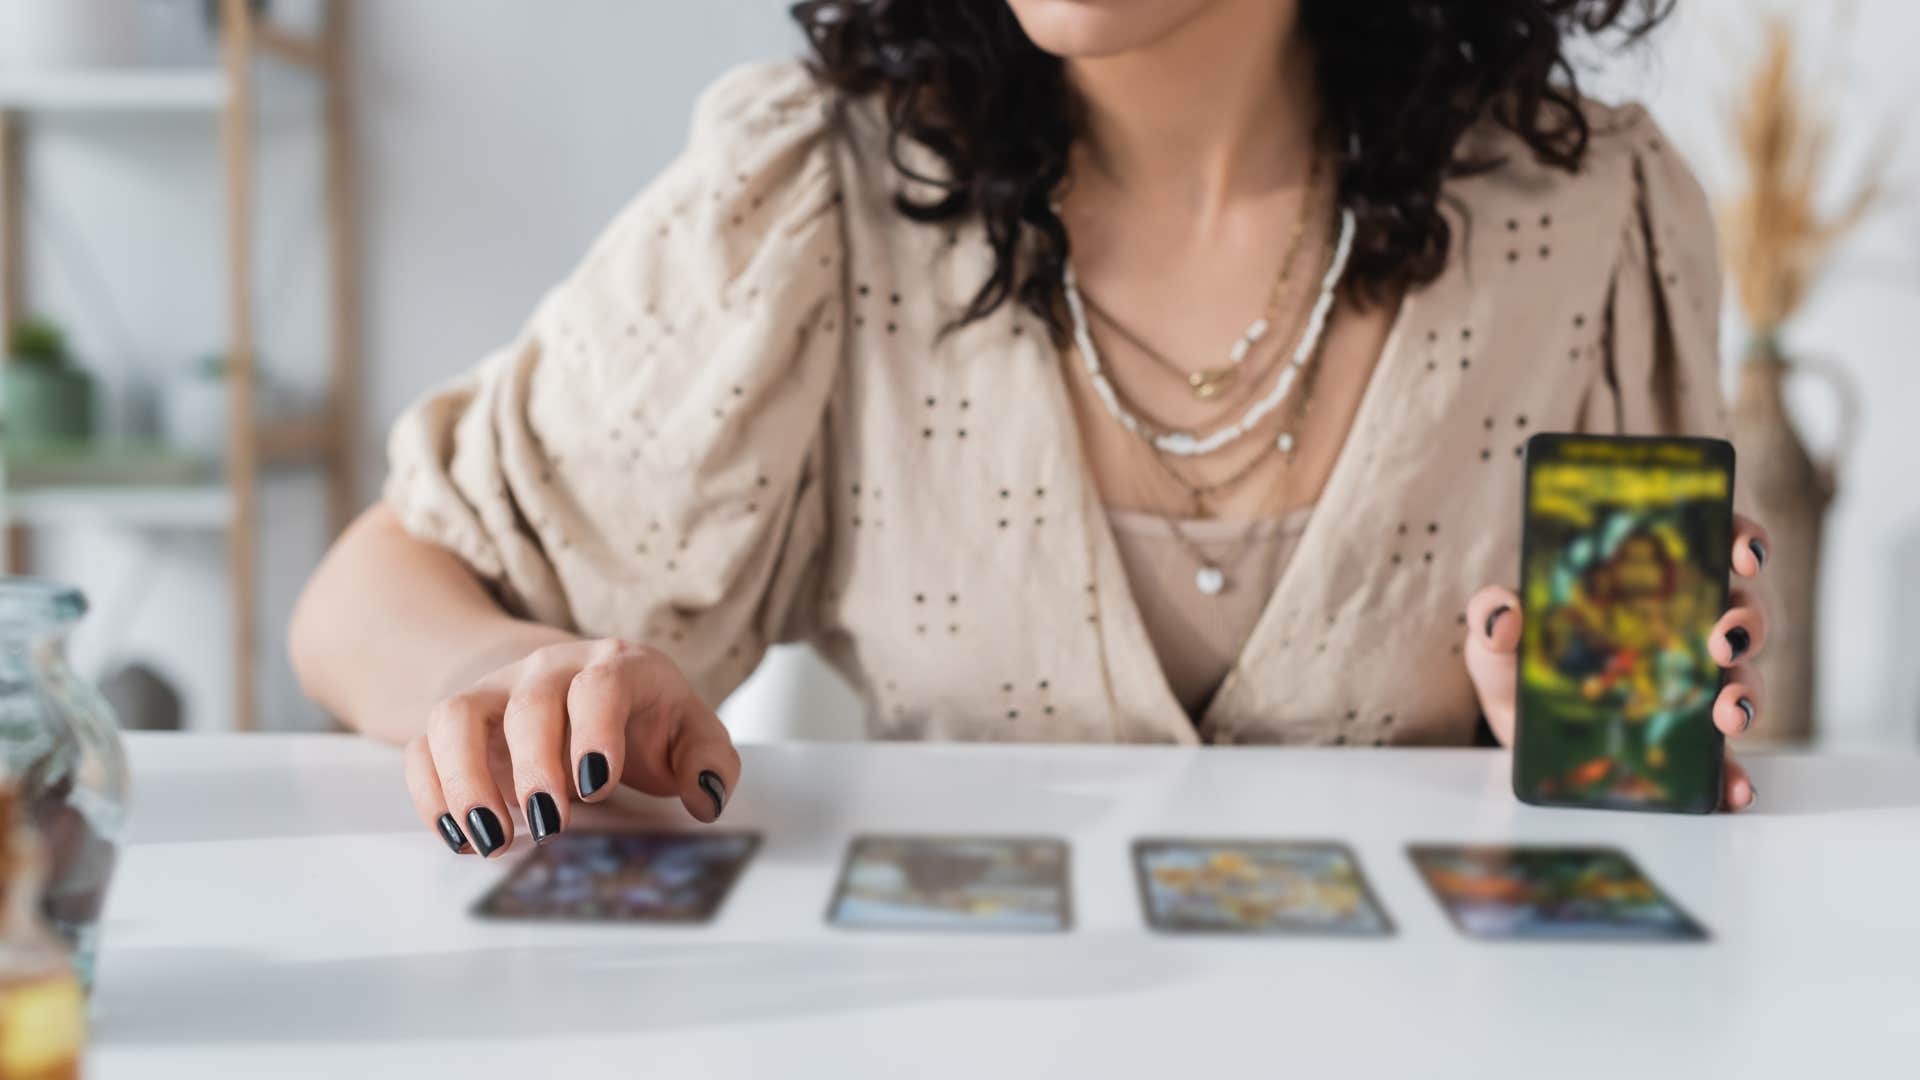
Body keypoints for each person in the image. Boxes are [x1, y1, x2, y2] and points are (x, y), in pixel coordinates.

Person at [290, 0, 1773, 858]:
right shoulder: (810, 203)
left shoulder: (1595, 226)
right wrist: (509, 678)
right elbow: (364, 599)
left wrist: (1584, 761)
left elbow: (1655, 818)